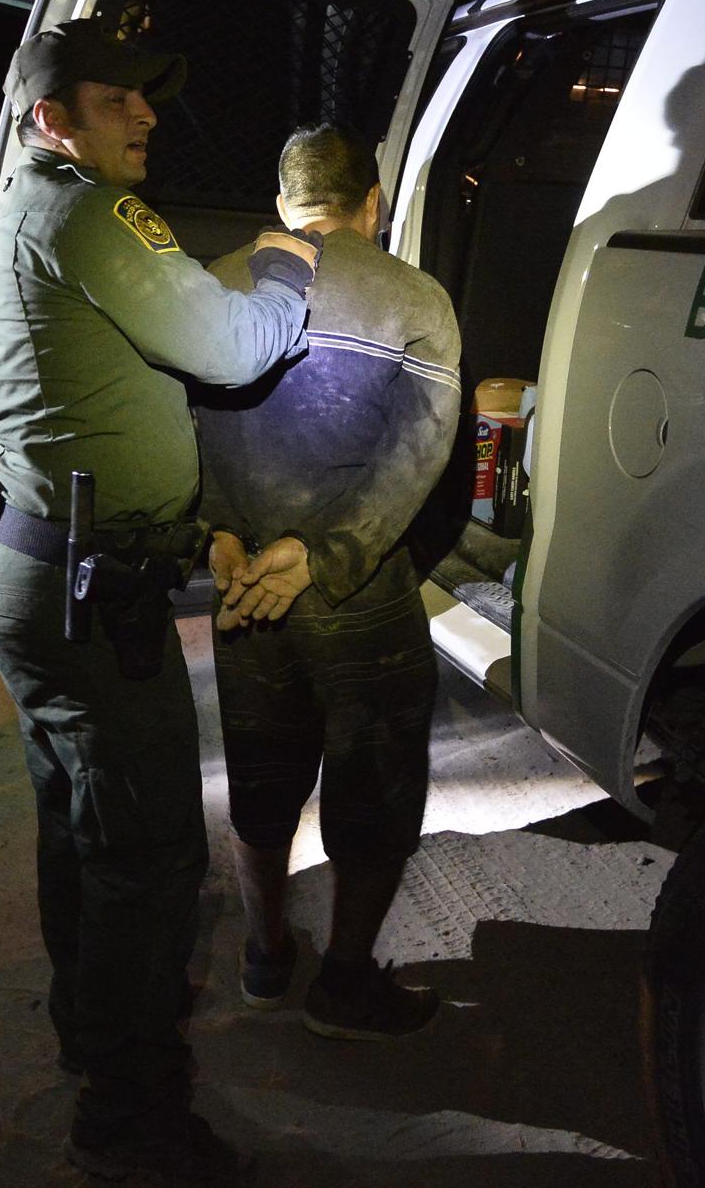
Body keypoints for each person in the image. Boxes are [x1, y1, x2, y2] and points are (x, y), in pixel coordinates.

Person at [0, 18, 318, 1185]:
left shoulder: (15, 215)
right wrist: (286, 271)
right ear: (52, 118)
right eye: (120, 99)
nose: (148, 115)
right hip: (84, 590)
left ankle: (91, 1032)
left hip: (29, 564)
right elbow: (233, 349)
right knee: (151, 852)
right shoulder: (88, 214)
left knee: (82, 821)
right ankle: (129, 1114)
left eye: (148, 96)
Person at [197, 124, 462, 1040]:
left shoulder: (214, 283)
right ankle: (345, 983)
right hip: (362, 598)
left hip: (244, 589)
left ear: (283, 204)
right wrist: (327, 554)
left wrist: (218, 533)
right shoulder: (415, 297)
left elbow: (183, 426)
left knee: (261, 778)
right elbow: (420, 454)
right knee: (375, 792)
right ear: (372, 203)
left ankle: (265, 954)